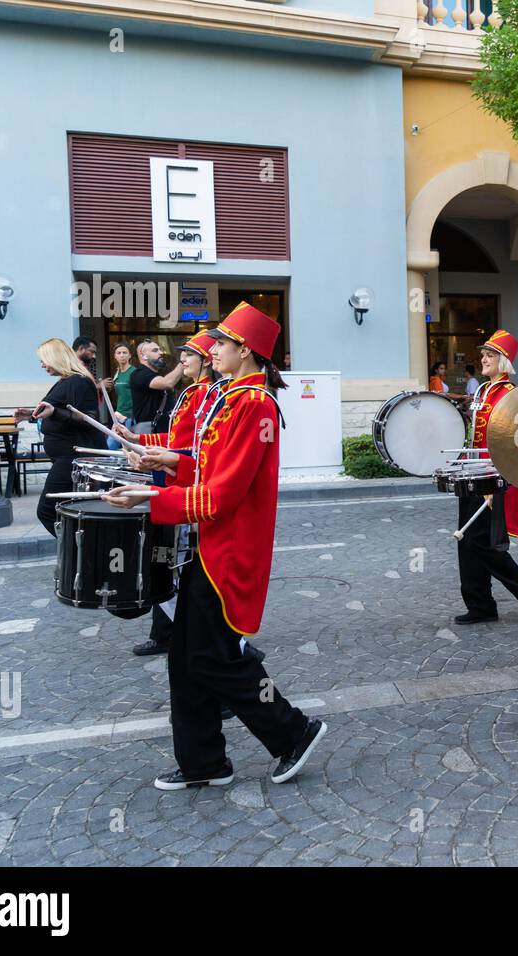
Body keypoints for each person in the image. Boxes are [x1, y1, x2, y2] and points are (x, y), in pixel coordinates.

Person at [105, 302, 327, 789]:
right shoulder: (234, 397)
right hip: (213, 546)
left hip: (231, 550)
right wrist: (167, 460)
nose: (213, 351)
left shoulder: (253, 403)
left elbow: (224, 495)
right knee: (187, 656)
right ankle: (203, 763)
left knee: (215, 658)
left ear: (245, 350)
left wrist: (153, 497)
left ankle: (293, 730)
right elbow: (208, 471)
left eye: (221, 344)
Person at [114, 331, 222, 658]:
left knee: (174, 564)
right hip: (177, 481)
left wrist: (164, 459)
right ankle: (168, 633)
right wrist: (138, 439)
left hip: (187, 488)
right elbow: (175, 438)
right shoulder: (193, 392)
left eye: (188, 355)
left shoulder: (209, 396)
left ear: (206, 360)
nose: (181, 360)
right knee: (169, 563)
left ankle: (228, 645)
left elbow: (198, 451)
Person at [454, 330, 518, 625]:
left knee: (481, 542)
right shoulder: (482, 391)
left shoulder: (510, 394)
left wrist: (497, 480)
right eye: (483, 354)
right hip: (471, 471)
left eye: (490, 355)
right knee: (466, 541)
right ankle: (480, 605)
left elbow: (512, 440)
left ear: (504, 361)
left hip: (491, 477)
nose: (484, 359)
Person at [14, 338, 104, 534]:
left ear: (56, 357)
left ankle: (77, 555)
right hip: (66, 457)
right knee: (63, 510)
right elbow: (60, 413)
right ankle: (75, 558)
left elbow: (89, 418)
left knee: (47, 511)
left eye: (44, 359)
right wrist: (32, 414)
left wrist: (54, 412)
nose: (42, 365)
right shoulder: (66, 381)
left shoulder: (78, 381)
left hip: (72, 457)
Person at [128, 340, 185, 433]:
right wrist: (183, 362)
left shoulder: (158, 374)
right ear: (143, 355)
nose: (161, 353)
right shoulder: (139, 374)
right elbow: (167, 383)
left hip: (163, 432)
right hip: (150, 434)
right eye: (155, 350)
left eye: (160, 350)